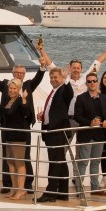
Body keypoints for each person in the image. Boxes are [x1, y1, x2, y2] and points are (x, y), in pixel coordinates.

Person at [0, 42, 49, 194]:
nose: (19, 75)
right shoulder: (5, 85)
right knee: (7, 155)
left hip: (23, 125)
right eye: (17, 73)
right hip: (6, 125)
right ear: (13, 73)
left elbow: (39, 77)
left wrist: (42, 65)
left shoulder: (28, 85)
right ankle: (8, 183)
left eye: (22, 73)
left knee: (24, 155)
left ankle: (27, 185)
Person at [0, 76, 35, 200]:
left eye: (14, 88)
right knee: (10, 163)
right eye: (10, 88)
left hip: (18, 137)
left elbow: (26, 113)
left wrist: (25, 99)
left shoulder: (21, 100)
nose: (12, 90)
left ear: (19, 89)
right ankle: (15, 189)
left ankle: (21, 190)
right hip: (9, 136)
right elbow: (7, 114)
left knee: (20, 163)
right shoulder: (9, 100)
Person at [35, 67, 73, 203]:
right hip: (51, 131)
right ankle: (63, 193)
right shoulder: (54, 91)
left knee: (55, 162)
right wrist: (43, 116)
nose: (53, 80)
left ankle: (50, 193)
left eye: (56, 77)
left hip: (58, 132)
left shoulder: (64, 90)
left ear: (62, 78)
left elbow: (69, 94)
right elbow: (53, 110)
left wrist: (67, 77)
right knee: (61, 162)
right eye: (51, 78)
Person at [72, 72, 106, 196]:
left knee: (96, 162)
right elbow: (77, 117)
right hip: (86, 135)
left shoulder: (104, 98)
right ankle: (79, 189)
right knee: (83, 162)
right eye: (89, 81)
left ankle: (95, 188)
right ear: (86, 84)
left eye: (94, 81)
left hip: (99, 135)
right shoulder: (81, 98)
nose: (92, 83)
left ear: (98, 82)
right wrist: (90, 122)